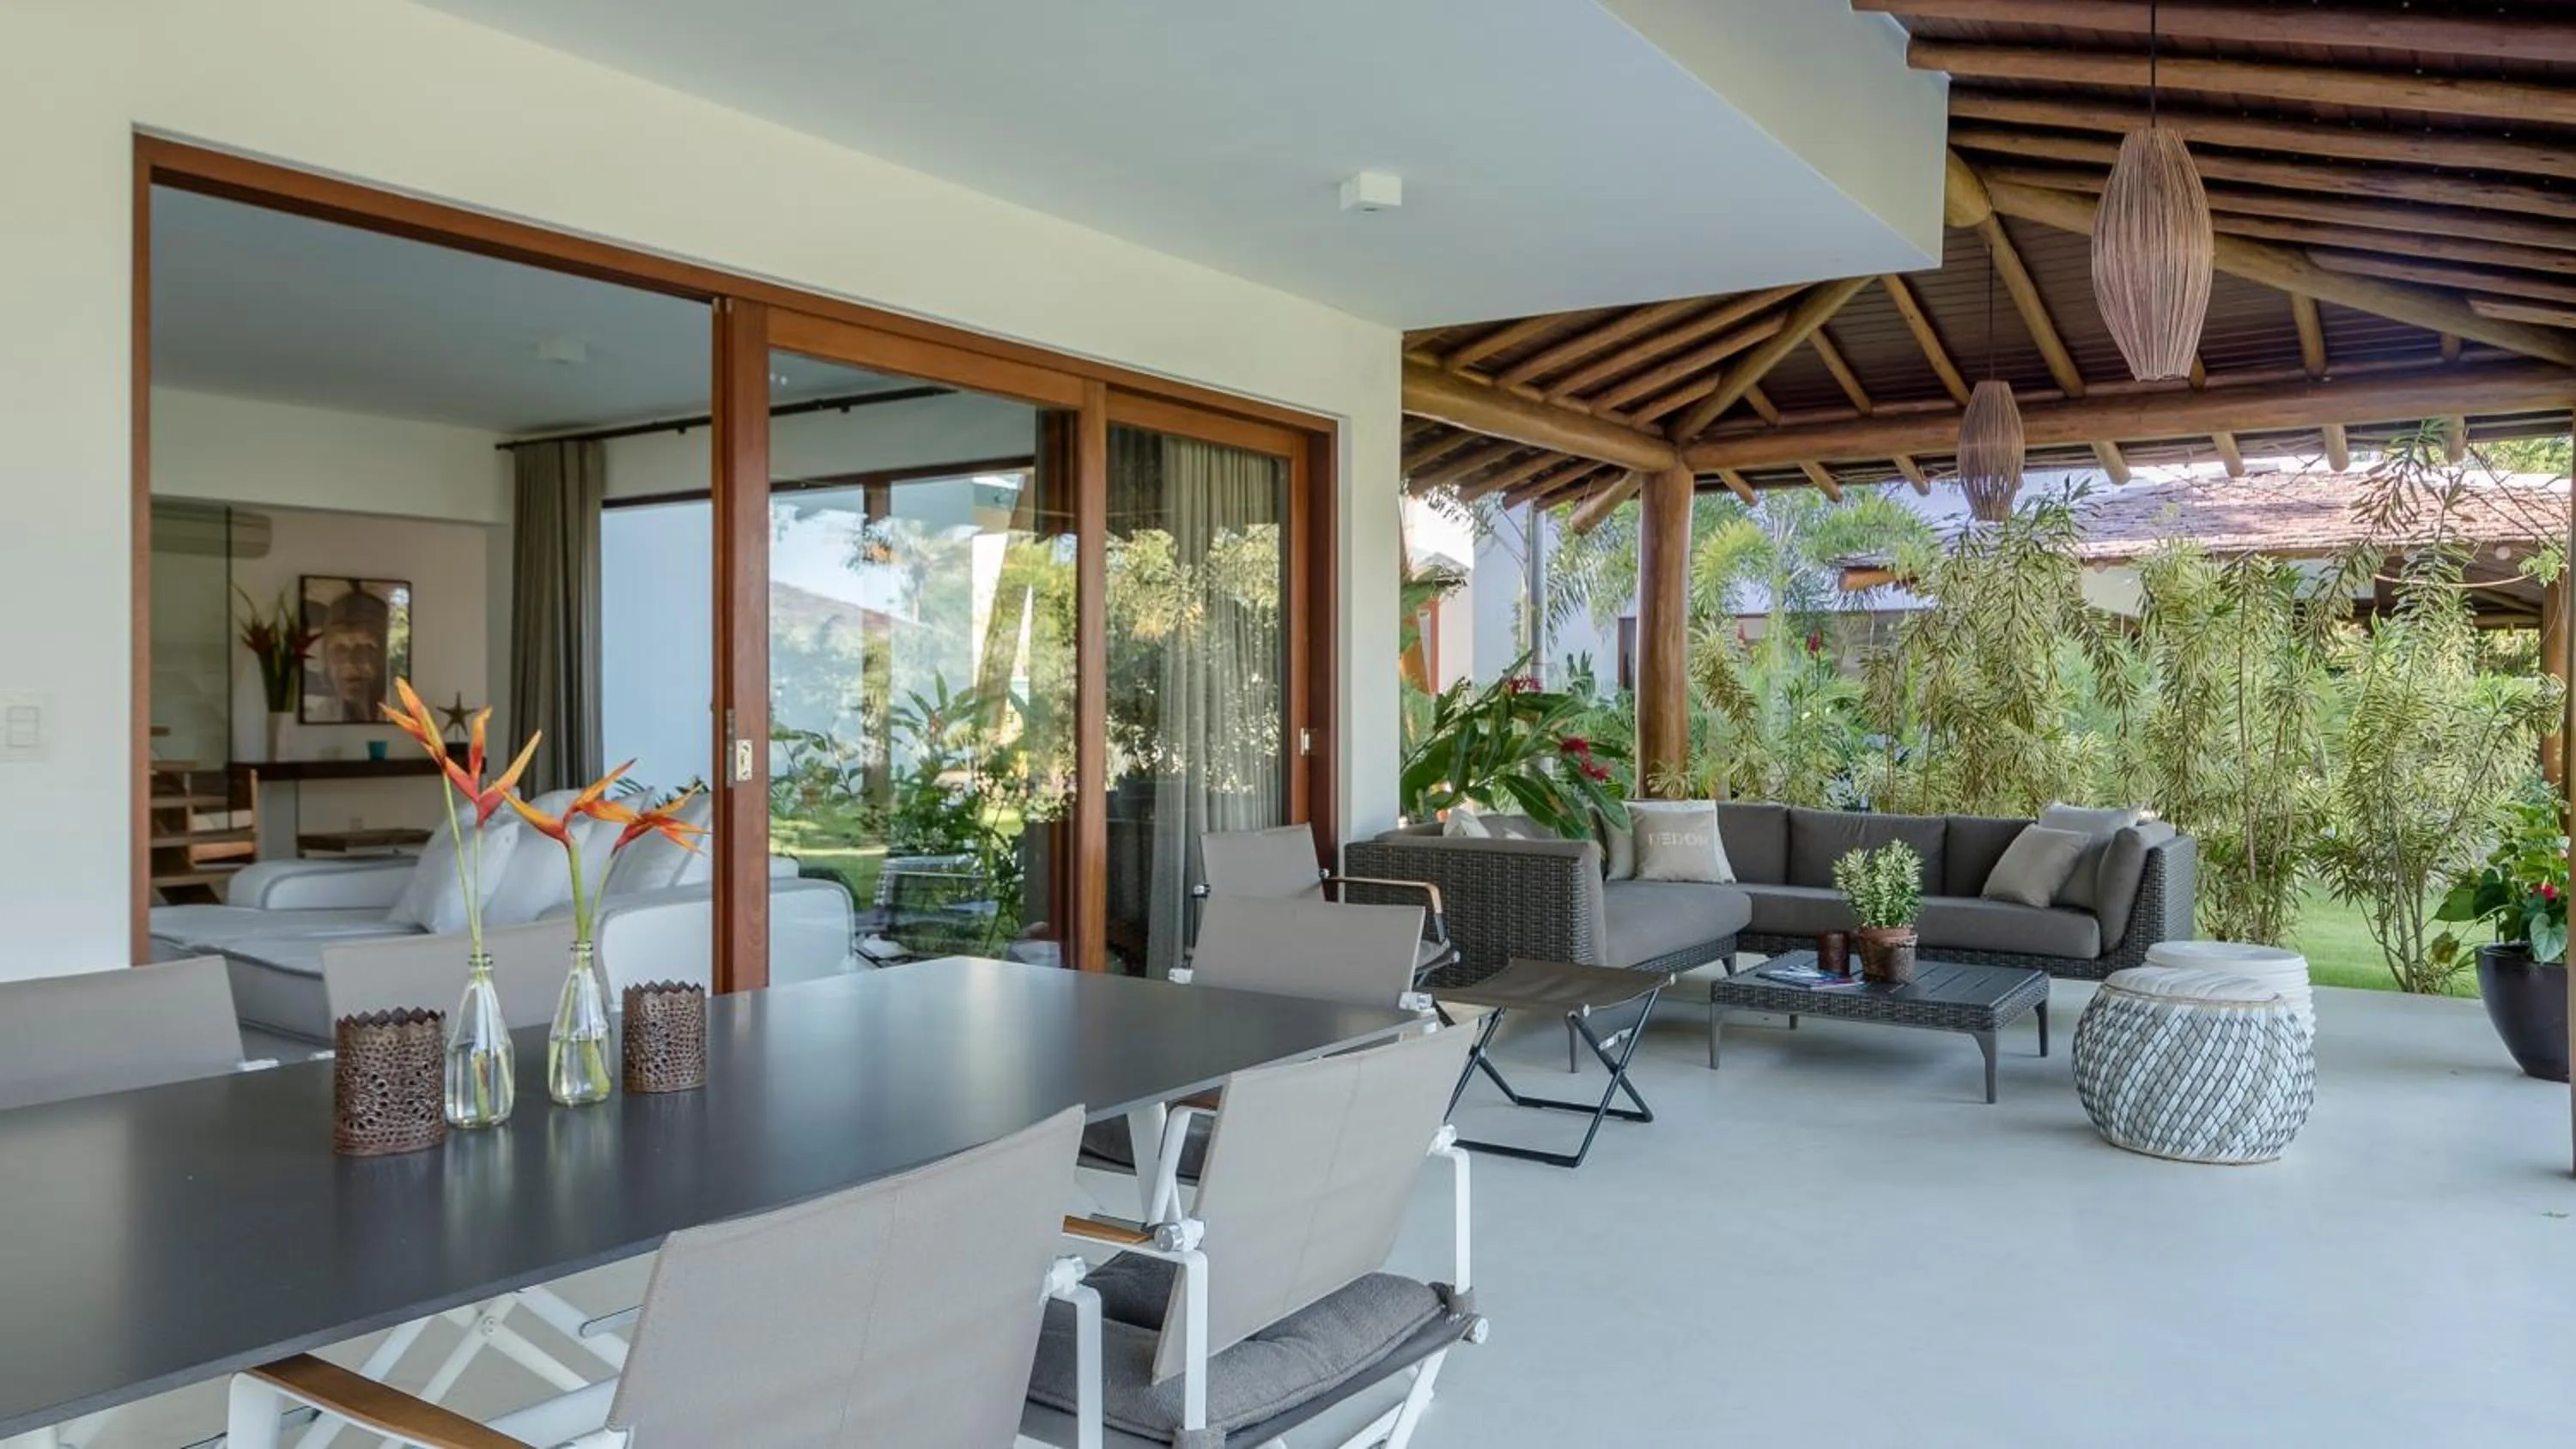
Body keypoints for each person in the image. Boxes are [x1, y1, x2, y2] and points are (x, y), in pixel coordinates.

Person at [312, 584, 391, 724]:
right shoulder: (323, 716)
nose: (350, 662)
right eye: (339, 648)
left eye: (365, 647)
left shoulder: (404, 714)